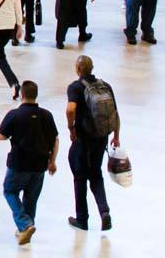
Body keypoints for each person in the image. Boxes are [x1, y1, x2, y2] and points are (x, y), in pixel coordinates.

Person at [0, 79, 59, 245]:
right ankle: (25, 230)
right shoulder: (47, 115)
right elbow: (55, 140)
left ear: (22, 95)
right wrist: (52, 161)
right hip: (39, 166)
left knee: (9, 191)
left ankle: (25, 224)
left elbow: (0, 136)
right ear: (36, 95)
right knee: (31, 199)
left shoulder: (14, 114)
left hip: (18, 164)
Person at [64, 55, 118, 232]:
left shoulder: (76, 87)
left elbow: (71, 109)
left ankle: (82, 219)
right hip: (100, 137)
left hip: (82, 139)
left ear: (78, 70)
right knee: (95, 174)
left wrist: (71, 128)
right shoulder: (105, 86)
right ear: (92, 68)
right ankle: (104, 212)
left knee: (80, 177)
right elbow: (115, 113)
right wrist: (116, 136)